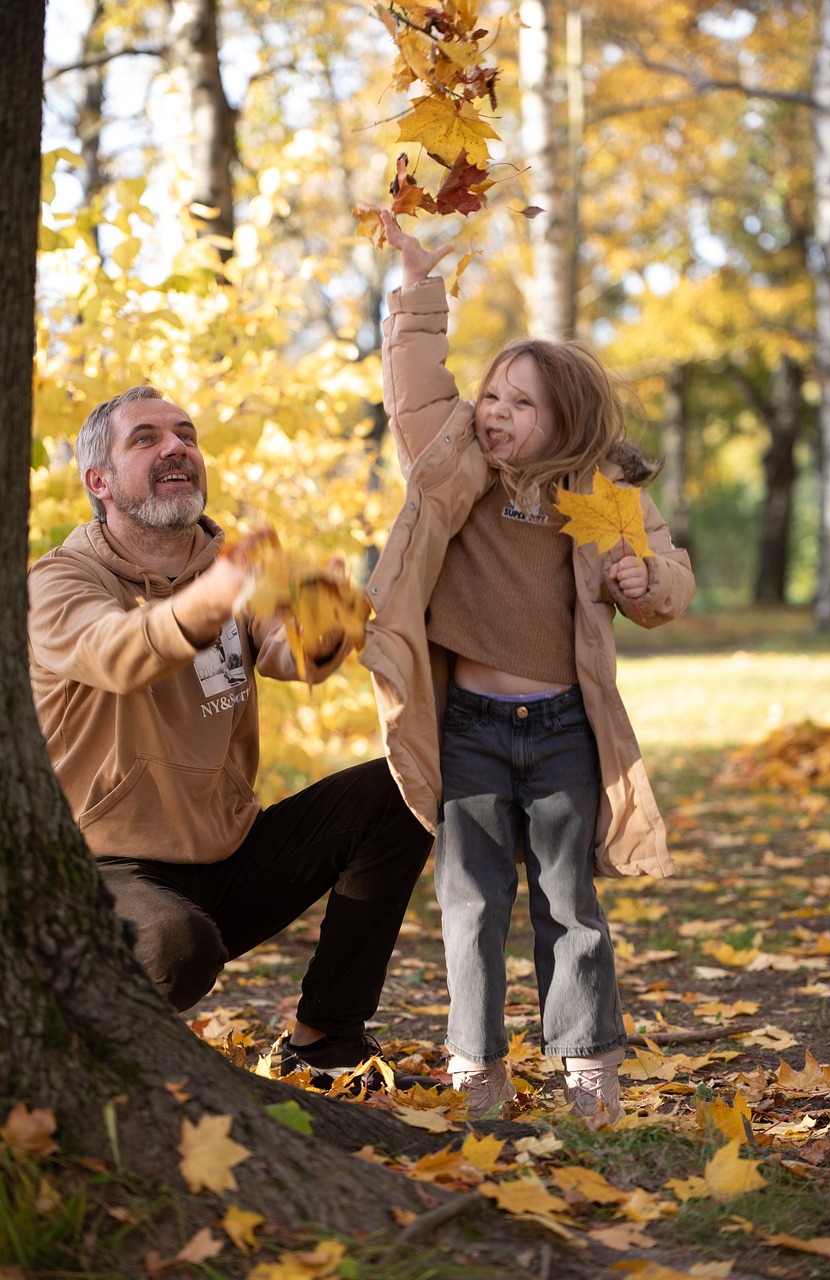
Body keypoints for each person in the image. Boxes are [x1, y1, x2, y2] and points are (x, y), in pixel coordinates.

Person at [359, 213, 696, 1120]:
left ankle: (586, 1064)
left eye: (518, 402)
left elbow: (668, 585)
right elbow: (416, 387)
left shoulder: (607, 493)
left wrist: (642, 577)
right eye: (492, 395)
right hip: (466, 728)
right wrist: (418, 294)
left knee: (569, 908)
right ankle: (477, 1066)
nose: (493, 412)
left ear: (565, 424)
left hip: (561, 735)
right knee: (470, 907)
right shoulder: (451, 463)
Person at [27, 386, 433, 1088]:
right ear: (99, 482)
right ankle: (76, 1065)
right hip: (104, 874)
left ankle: (324, 1039)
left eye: (185, 434)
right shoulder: (59, 582)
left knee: (403, 789)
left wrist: (326, 621)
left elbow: (288, 652)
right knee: (175, 947)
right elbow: (118, 652)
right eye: (145, 438)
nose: (175, 446)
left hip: (227, 855)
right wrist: (213, 600)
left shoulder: (232, 564)